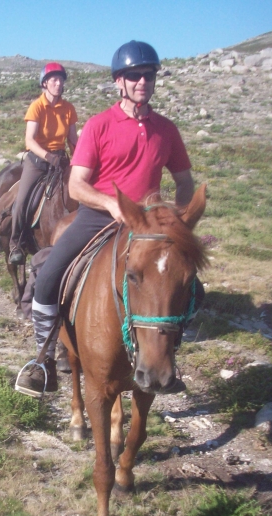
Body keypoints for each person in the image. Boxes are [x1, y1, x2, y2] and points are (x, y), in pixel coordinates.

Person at [15, 40, 199, 398]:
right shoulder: (99, 125)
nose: (142, 81)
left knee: (194, 290)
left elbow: (185, 181)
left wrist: (177, 218)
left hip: (147, 226)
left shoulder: (166, 129)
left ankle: (164, 355)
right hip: (98, 217)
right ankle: (44, 358)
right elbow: (77, 184)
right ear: (119, 82)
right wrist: (111, 204)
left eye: (148, 75)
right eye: (133, 76)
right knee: (49, 276)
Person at [8, 62, 78, 266]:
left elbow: (73, 140)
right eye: (54, 79)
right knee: (22, 200)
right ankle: (16, 243)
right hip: (38, 161)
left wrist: (83, 161)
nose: (58, 83)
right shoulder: (37, 106)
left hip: (60, 161)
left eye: (61, 79)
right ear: (45, 83)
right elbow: (29, 140)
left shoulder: (68, 108)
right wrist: (48, 156)